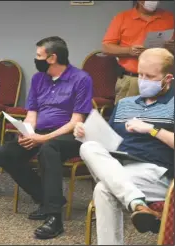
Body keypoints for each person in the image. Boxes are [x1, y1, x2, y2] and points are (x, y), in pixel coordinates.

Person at [0, 36, 93, 239]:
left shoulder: (81, 79)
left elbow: (76, 121)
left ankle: (54, 217)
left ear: (52, 57)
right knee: (5, 153)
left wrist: (44, 138)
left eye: (39, 55)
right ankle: (44, 197)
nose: (35, 59)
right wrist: (27, 132)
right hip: (41, 133)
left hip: (69, 135)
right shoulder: (38, 78)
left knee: (49, 149)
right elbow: (32, 114)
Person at [74, 48, 174, 245]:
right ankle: (137, 203)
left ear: (167, 78)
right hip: (119, 168)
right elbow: (110, 142)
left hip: (156, 173)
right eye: (140, 75)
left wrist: (152, 129)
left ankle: (135, 202)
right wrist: (86, 133)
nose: (143, 80)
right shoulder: (125, 104)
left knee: (103, 189)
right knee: (88, 147)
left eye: (150, 76)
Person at [102, 0, 174, 104]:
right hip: (132, 79)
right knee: (126, 117)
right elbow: (106, 47)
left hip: (161, 81)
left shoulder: (169, 17)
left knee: (159, 117)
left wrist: (172, 46)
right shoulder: (122, 17)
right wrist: (129, 51)